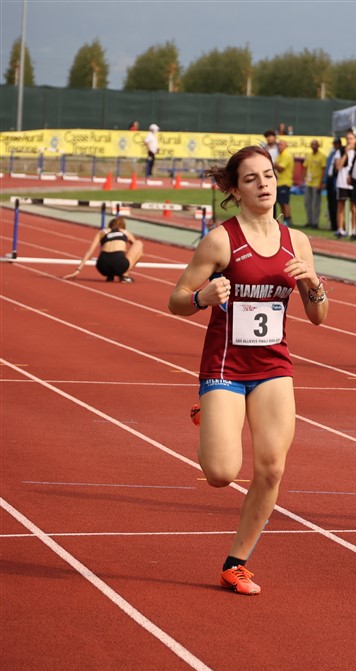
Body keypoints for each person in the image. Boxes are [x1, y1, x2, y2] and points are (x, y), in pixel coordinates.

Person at [167, 145, 329, 595]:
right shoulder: (221, 241)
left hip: (273, 367)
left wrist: (313, 283)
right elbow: (176, 299)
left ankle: (236, 563)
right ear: (236, 190)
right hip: (225, 366)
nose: (263, 184)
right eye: (252, 178)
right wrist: (201, 298)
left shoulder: (297, 241)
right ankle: (211, 411)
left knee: (272, 468)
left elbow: (319, 316)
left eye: (269, 175)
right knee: (221, 473)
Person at [64, 216, 144, 284]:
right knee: (139, 243)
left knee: (112, 255)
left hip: (102, 267)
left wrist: (78, 270)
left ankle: (110, 276)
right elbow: (137, 250)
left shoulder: (102, 232)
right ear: (123, 226)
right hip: (119, 265)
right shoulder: (126, 232)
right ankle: (124, 276)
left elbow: (90, 251)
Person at [335, 131, 356, 238]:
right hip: (342, 182)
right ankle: (340, 229)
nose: (349, 141)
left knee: (354, 207)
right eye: (348, 139)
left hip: (353, 183)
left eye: (351, 139)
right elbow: (338, 166)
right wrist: (345, 153)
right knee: (341, 206)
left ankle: (353, 230)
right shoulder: (340, 151)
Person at [302, 139, 327, 229]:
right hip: (309, 182)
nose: (313, 146)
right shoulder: (309, 156)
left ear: (318, 146)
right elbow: (305, 167)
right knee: (307, 202)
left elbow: (323, 170)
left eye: (315, 144)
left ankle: (315, 222)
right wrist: (303, 179)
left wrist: (322, 182)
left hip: (317, 182)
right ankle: (309, 221)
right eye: (312, 144)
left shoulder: (322, 156)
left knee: (316, 204)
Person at [323, 137, 342, 231]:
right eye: (334, 144)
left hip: (336, 180)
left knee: (336, 203)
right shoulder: (331, 154)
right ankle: (332, 223)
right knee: (330, 203)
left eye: (336, 144)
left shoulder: (341, 154)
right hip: (330, 179)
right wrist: (325, 180)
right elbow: (327, 168)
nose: (335, 145)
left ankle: (337, 224)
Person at [273, 140, 293, 224]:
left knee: (285, 202)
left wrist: (275, 165)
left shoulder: (286, 155)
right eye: (278, 145)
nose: (279, 146)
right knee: (281, 202)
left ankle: (288, 219)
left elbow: (281, 168)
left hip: (285, 182)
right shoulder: (280, 155)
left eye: (281, 145)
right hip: (279, 182)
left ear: (286, 146)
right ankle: (284, 218)